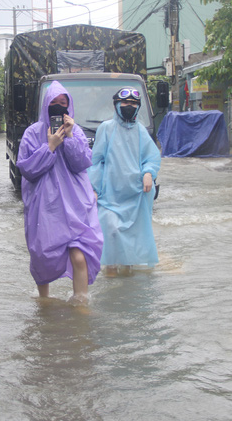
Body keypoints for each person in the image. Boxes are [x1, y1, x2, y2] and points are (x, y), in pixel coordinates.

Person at [16, 81, 103, 303]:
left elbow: (82, 162)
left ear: (69, 106)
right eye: (53, 103)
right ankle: (43, 301)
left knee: (79, 255)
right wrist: (50, 146)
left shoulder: (78, 132)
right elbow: (26, 169)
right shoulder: (32, 133)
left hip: (75, 204)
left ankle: (81, 301)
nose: (58, 107)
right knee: (42, 256)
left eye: (62, 103)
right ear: (45, 105)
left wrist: (70, 138)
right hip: (45, 205)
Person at [88, 86, 161, 276]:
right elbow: (96, 161)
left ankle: (128, 269)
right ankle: (110, 268)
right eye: (125, 103)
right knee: (111, 229)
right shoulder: (106, 129)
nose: (129, 106)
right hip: (110, 194)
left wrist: (148, 173)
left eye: (133, 104)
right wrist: (94, 188)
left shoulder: (140, 131)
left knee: (133, 234)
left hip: (136, 193)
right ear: (117, 105)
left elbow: (151, 157)